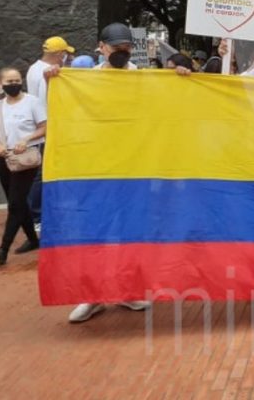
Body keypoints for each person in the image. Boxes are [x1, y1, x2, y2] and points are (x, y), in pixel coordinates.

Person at [43, 23, 184, 322]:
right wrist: (54, 81)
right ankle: (92, 295)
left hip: (136, 170)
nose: (121, 51)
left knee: (132, 232)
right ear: (101, 47)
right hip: (96, 171)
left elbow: (169, 110)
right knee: (94, 232)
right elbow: (67, 116)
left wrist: (181, 80)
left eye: (125, 47)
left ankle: (129, 291)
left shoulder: (145, 79)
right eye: (115, 47)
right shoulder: (83, 81)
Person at [0, 67, 45, 266]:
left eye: (17, 80)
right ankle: (33, 240)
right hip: (4, 156)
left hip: (26, 157)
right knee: (19, 203)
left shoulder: (32, 102)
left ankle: (3, 249)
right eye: (9, 82)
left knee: (14, 203)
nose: (14, 84)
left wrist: (26, 139)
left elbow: (44, 127)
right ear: (0, 84)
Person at [23, 36, 73, 229]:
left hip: (40, 125)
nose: (66, 58)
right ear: (59, 54)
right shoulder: (47, 73)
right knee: (41, 173)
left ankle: (36, 213)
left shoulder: (33, 68)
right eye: (65, 54)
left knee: (39, 172)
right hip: (46, 126)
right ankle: (37, 216)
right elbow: (50, 98)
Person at [26, 36, 74, 101]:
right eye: (66, 52)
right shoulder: (52, 73)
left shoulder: (33, 68)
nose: (67, 56)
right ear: (59, 53)